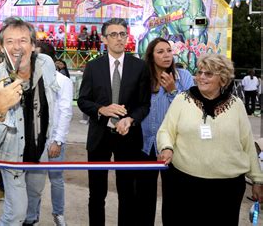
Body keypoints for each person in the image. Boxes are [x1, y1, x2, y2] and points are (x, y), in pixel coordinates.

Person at [157, 54, 263, 225]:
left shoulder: (236, 105)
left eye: (208, 74)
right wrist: (167, 147)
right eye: (199, 72)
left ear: (223, 79)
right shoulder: (181, 100)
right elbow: (165, 131)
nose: (201, 77)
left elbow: (247, 144)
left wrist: (257, 180)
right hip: (185, 185)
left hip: (226, 189)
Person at [0, 17, 58, 225]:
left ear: (32, 45)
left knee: (32, 206)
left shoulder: (46, 64)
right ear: (2, 47)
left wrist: (55, 136)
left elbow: (54, 100)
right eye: (10, 41)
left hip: (40, 154)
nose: (16, 47)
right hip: (12, 157)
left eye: (22, 40)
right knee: (15, 214)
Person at [77, 18, 151, 226]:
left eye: (122, 34)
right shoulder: (93, 67)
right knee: (96, 194)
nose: (119, 39)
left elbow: (144, 104)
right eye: (113, 35)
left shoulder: (139, 67)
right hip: (99, 136)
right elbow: (83, 101)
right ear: (104, 39)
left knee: (128, 192)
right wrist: (102, 109)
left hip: (128, 137)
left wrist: (130, 119)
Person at [135, 37, 194, 226]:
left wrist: (172, 91)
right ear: (151, 56)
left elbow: (192, 110)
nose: (166, 55)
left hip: (173, 147)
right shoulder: (143, 78)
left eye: (169, 50)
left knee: (174, 198)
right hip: (145, 145)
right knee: (144, 197)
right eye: (160, 52)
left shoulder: (183, 76)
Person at [29, 42, 73, 226]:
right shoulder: (31, 79)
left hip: (54, 140)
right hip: (35, 140)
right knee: (33, 181)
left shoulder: (63, 81)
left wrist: (58, 141)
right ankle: (32, 218)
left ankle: (58, 214)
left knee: (56, 178)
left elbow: (65, 112)